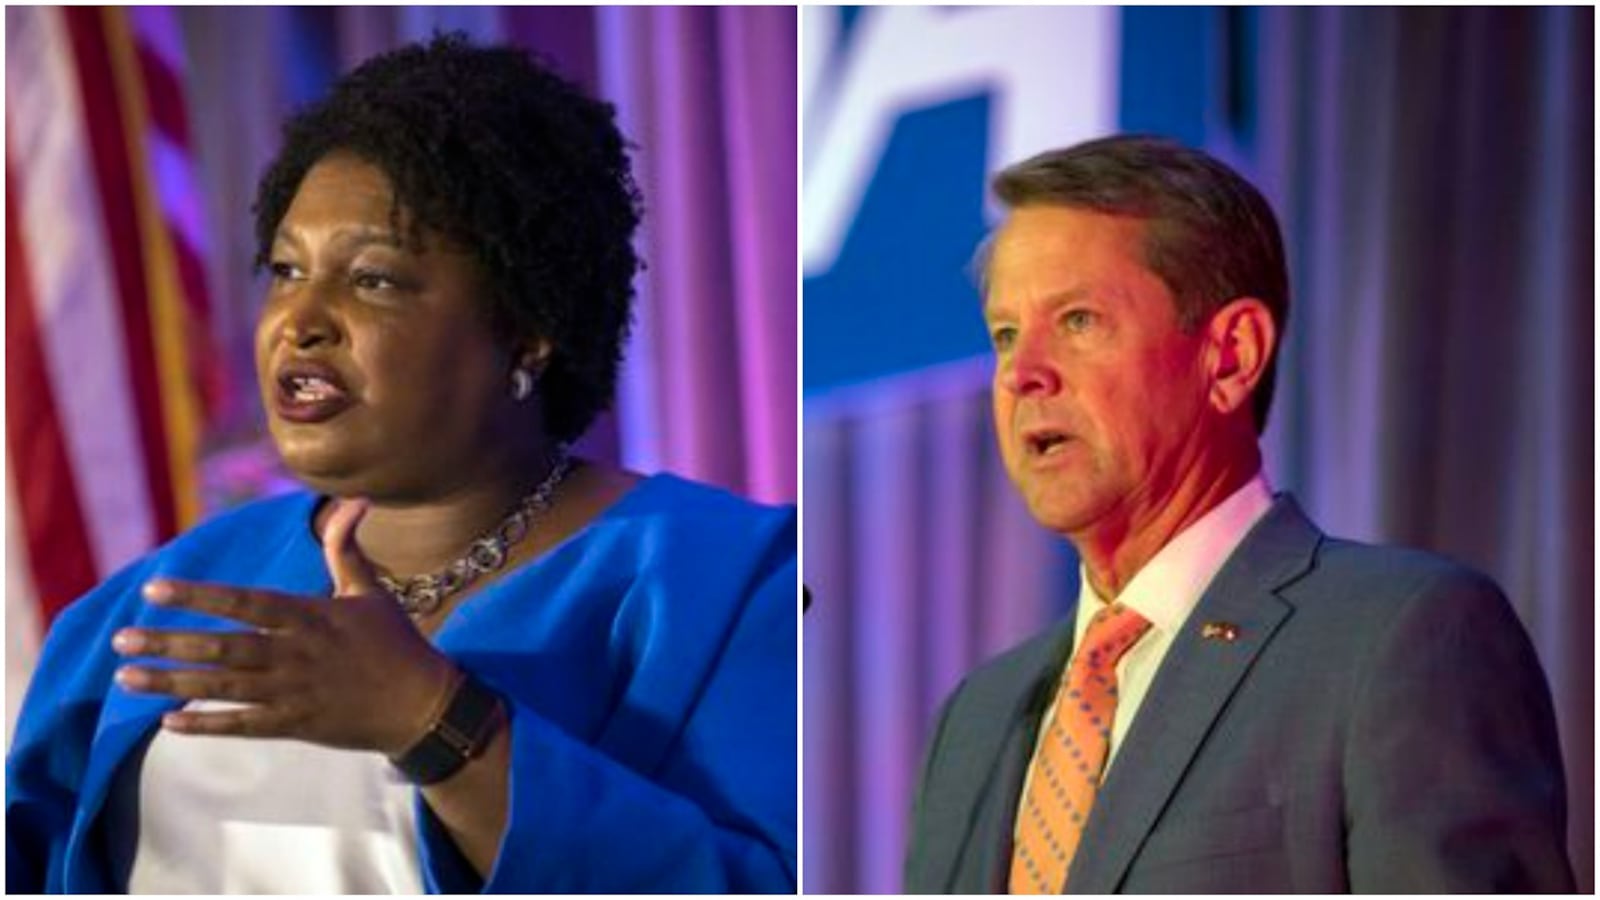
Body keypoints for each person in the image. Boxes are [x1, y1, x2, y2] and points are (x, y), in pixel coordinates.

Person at [7, 35, 796, 894]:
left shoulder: (728, 584)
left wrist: (434, 719)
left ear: (527, 328)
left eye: (374, 279)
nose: (300, 320)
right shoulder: (148, 602)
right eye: (285, 270)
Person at [903, 135, 1573, 893]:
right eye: (1005, 335)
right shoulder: (978, 718)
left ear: (1230, 355)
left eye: (1080, 321)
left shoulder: (1399, 638)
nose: (1022, 375)